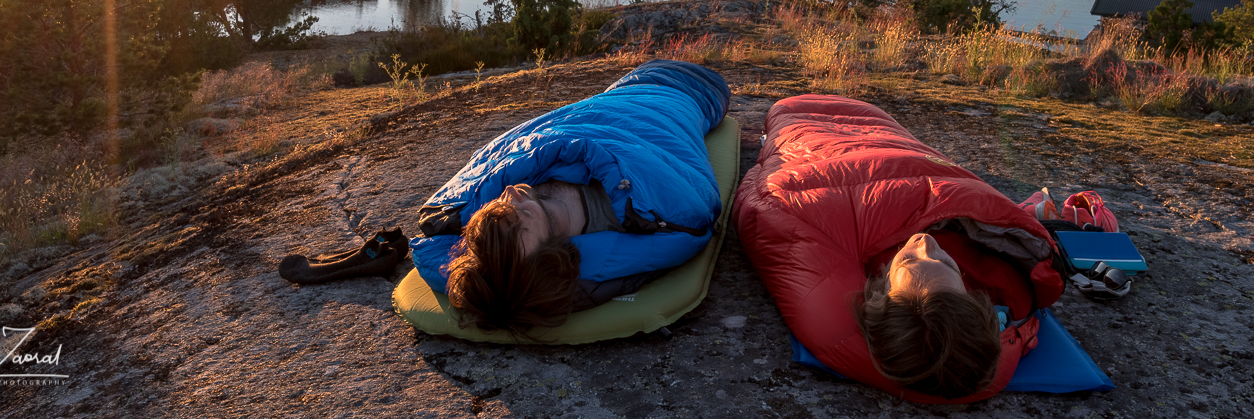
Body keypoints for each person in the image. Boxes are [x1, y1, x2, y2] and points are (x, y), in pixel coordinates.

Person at [732, 94, 1065, 403]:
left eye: (908, 260)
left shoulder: (846, 294)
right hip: (883, 135)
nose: (924, 243)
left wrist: (767, 159)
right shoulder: (1005, 289)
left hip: (808, 131)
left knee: (785, 113)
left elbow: (763, 201)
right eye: (947, 265)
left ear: (879, 292)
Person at [409, 59, 730, 337]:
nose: (508, 194)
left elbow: (434, 240)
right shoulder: (650, 217)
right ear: (554, 258)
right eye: (517, 218)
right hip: (694, 92)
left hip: (622, 88)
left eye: (501, 209)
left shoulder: (507, 240)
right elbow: (697, 218)